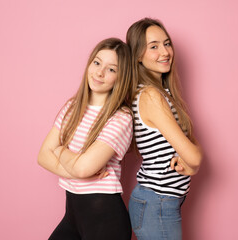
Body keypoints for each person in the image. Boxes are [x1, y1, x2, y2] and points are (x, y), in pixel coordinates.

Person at [38, 38, 133, 240]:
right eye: (97, 63)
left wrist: (59, 150)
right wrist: (80, 171)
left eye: (111, 69)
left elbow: (82, 167)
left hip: (106, 222)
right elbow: (42, 156)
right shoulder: (72, 107)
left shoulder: (121, 118)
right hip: (72, 216)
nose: (99, 73)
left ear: (121, 77)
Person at [126, 18, 203, 240]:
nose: (165, 51)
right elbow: (194, 155)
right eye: (154, 46)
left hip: (162, 202)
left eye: (167, 43)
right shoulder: (151, 96)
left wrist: (193, 159)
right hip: (157, 203)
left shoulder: (162, 92)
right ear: (138, 55)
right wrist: (193, 162)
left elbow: (192, 146)